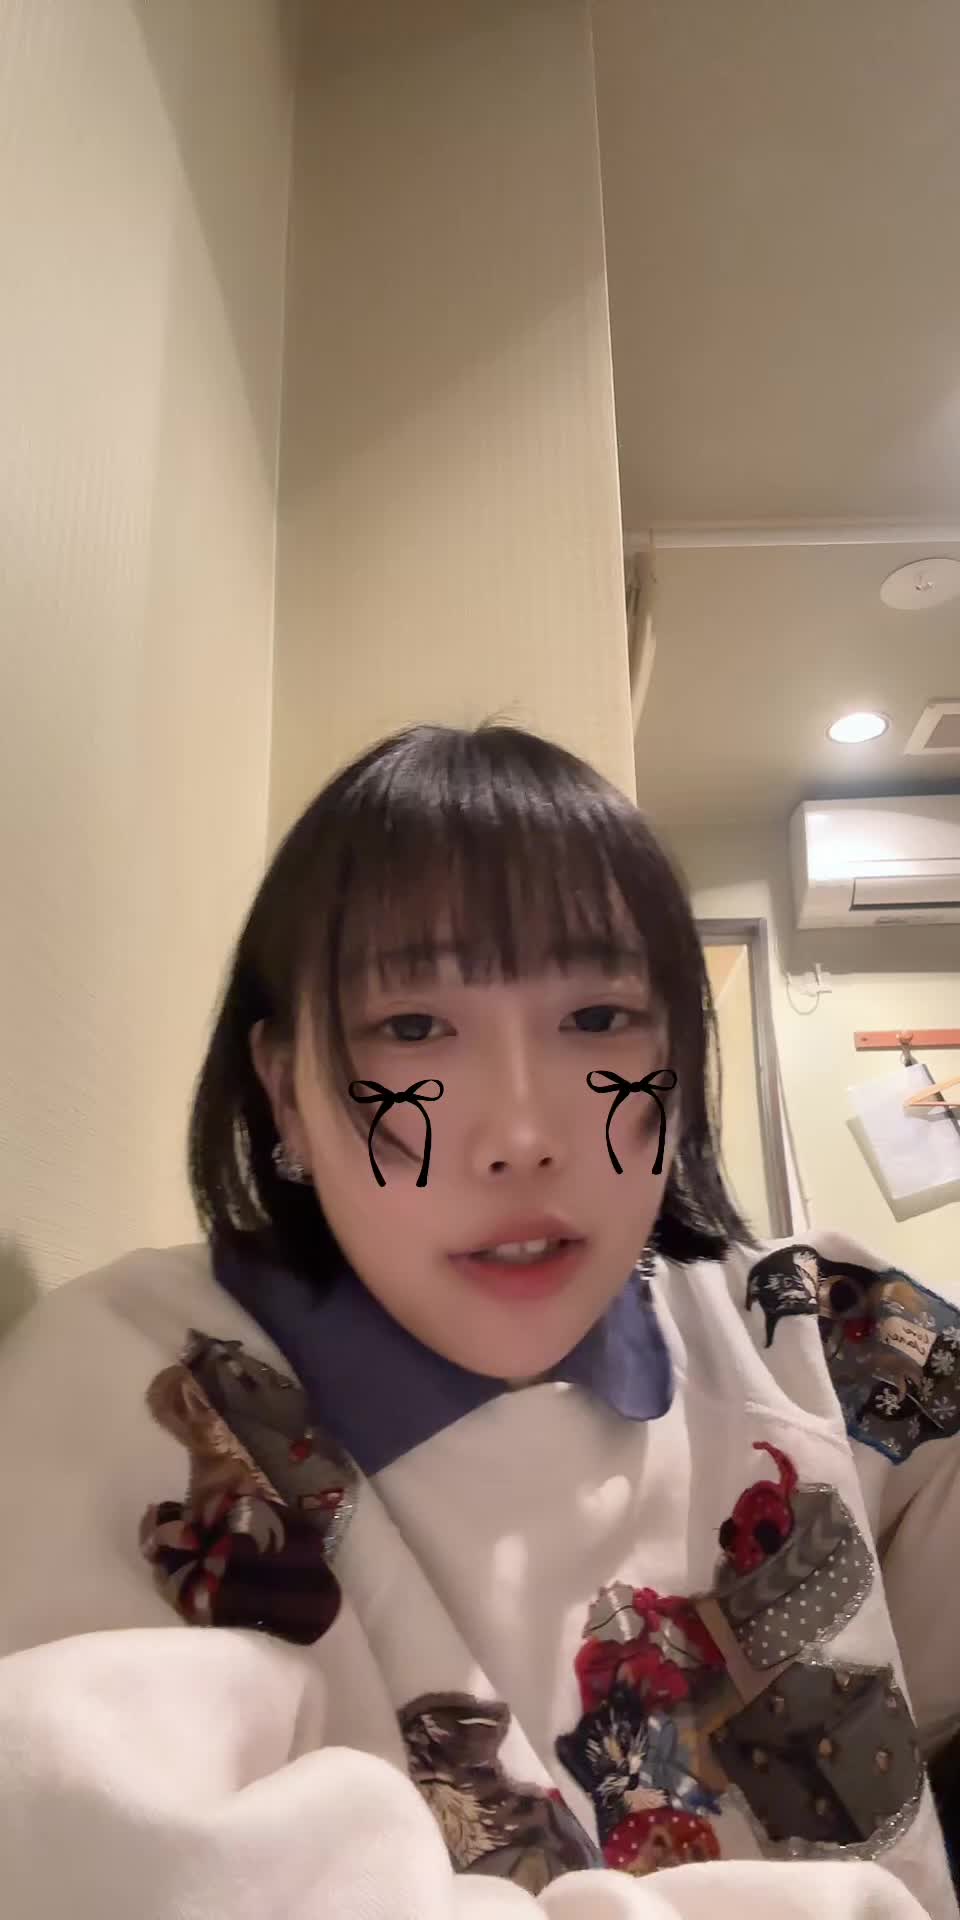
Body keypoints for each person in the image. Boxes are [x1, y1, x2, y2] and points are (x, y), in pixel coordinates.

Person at [0, 719, 958, 1920]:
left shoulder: (807, 1326)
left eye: (600, 1019)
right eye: (412, 1029)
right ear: (285, 1091)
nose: (522, 1135)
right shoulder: (157, 1393)